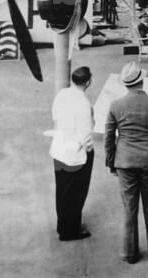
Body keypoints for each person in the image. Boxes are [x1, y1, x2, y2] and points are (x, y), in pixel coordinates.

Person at [105, 61, 148, 263]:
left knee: (129, 207)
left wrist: (111, 162)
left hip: (125, 161)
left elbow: (109, 137)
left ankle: (130, 253)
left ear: (125, 84)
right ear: (142, 81)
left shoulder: (115, 105)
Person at [49, 66, 95, 242]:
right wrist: (89, 150)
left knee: (62, 190)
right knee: (76, 193)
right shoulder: (83, 103)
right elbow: (85, 132)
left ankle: (62, 226)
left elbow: (55, 117)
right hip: (75, 155)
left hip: (59, 149)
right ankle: (71, 231)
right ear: (88, 82)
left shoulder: (61, 95)